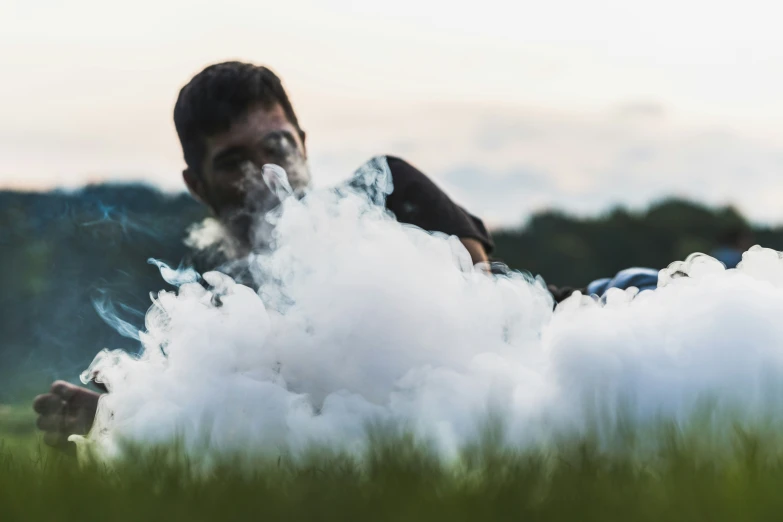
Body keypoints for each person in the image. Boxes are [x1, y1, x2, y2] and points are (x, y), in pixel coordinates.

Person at [33, 61, 497, 451]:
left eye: (277, 147)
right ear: (198, 186)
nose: (265, 173)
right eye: (234, 161)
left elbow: (478, 318)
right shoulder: (214, 306)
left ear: (304, 144)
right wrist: (118, 418)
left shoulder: (390, 190)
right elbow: (232, 428)